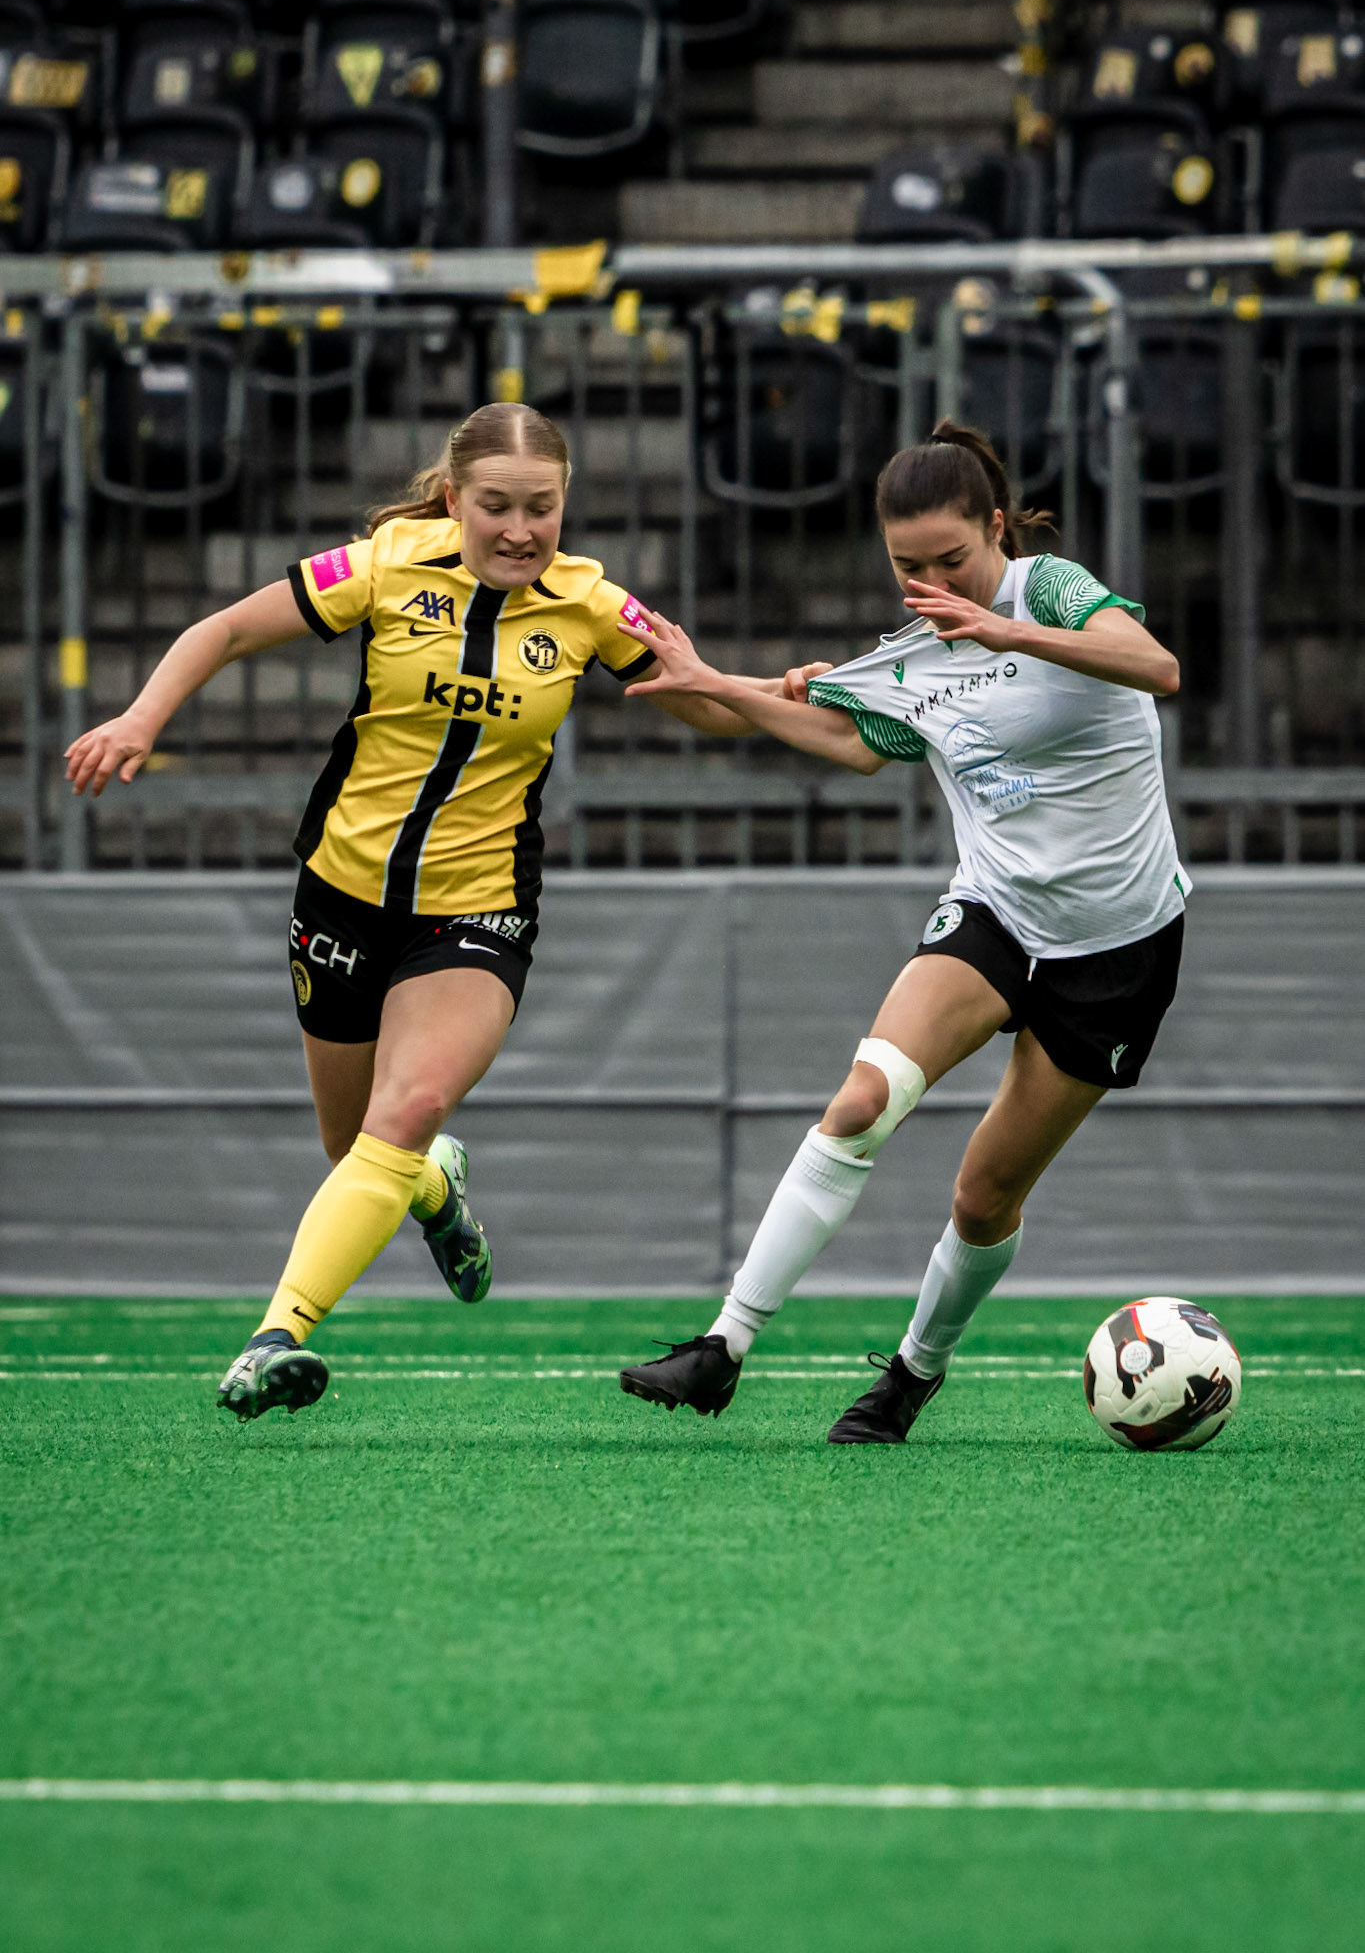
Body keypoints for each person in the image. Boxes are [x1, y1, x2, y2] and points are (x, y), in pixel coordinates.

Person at [65, 402, 760, 1422]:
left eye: (543, 508)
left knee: (409, 1107)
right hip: (341, 893)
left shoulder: (595, 605)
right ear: (453, 500)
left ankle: (273, 1337)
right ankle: (437, 1190)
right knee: (361, 1152)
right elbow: (223, 629)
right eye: (497, 507)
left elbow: (697, 704)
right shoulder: (384, 565)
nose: (521, 530)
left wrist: (735, 686)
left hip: (476, 912)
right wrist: (139, 716)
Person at [618, 418, 1188, 1444]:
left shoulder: (1047, 590)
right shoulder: (915, 660)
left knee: (983, 1195)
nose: (933, 585)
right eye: (907, 566)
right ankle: (723, 1344)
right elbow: (839, 735)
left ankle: (914, 1371)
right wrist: (706, 679)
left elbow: (1155, 665)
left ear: (998, 529)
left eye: (953, 560)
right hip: (996, 914)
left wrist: (1008, 630)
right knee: (862, 1100)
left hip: (1119, 945)